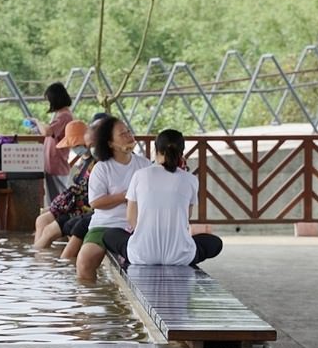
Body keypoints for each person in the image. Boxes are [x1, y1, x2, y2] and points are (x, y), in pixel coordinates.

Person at [102, 129, 223, 268]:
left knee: (110, 234)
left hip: (141, 255)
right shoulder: (190, 180)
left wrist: (144, 234)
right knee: (215, 242)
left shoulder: (140, 175)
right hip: (179, 256)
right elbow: (186, 217)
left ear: (156, 149)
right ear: (182, 153)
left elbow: (131, 217)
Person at [75, 116, 151, 281]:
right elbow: (96, 202)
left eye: (128, 132)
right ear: (110, 143)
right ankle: (89, 301)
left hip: (135, 226)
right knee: (84, 262)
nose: (129, 136)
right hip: (105, 224)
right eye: (122, 134)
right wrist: (126, 195)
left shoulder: (145, 165)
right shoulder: (102, 168)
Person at [33, 118, 94, 249]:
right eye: (74, 145)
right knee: (41, 219)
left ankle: (38, 258)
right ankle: (38, 257)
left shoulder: (96, 163)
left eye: (77, 144)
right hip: (76, 206)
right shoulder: (85, 161)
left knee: (47, 228)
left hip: (84, 209)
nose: (75, 148)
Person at [26, 82, 73, 203]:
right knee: (54, 201)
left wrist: (37, 121)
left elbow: (47, 131)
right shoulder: (60, 115)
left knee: (58, 202)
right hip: (52, 165)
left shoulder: (65, 116)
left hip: (57, 166)